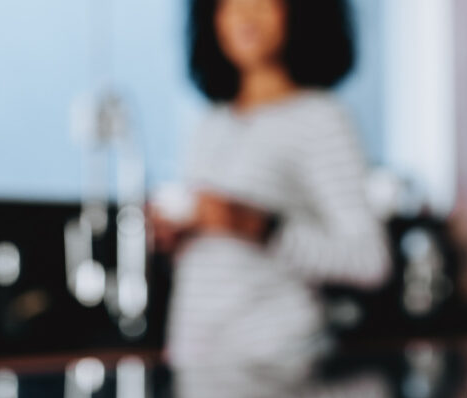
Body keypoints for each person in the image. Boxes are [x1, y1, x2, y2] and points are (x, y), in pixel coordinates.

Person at [153, 0, 390, 370]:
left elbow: (369, 260)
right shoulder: (209, 124)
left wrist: (260, 226)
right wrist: (178, 237)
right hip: (202, 367)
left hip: (279, 363)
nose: (245, 15)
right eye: (229, 4)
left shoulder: (321, 118)